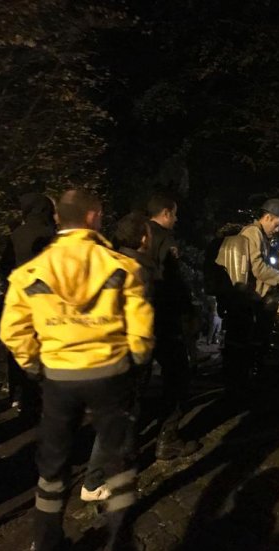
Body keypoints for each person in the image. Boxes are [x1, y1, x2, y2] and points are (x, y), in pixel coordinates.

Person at [0, 189, 154, 551]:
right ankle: (119, 540)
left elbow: (12, 330)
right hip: (109, 374)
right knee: (117, 460)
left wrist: (35, 365)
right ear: (91, 216)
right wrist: (135, 358)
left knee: (52, 467)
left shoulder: (31, 272)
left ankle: (48, 543)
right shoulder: (121, 267)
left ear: (58, 220)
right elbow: (141, 329)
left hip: (58, 379)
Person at [81, 210, 156, 502]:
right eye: (148, 234)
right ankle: (93, 483)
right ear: (141, 238)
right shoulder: (138, 269)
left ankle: (118, 464)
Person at [146, 193, 199, 460]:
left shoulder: (135, 236)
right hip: (165, 321)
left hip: (137, 321)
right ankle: (168, 440)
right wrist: (187, 315)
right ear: (165, 213)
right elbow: (173, 283)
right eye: (174, 214)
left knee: (138, 385)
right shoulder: (166, 240)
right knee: (178, 378)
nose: (176, 219)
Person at [221, 198, 279, 390]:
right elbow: (258, 268)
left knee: (249, 345)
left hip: (251, 300)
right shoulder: (253, 233)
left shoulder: (260, 236)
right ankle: (239, 387)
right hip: (248, 300)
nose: (277, 230)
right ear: (268, 217)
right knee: (246, 346)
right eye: (277, 225)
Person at [0, 192, 56, 415]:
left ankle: (19, 395)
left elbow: (4, 267)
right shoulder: (51, 235)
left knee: (18, 348)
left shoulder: (15, 236)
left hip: (19, 301)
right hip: (45, 302)